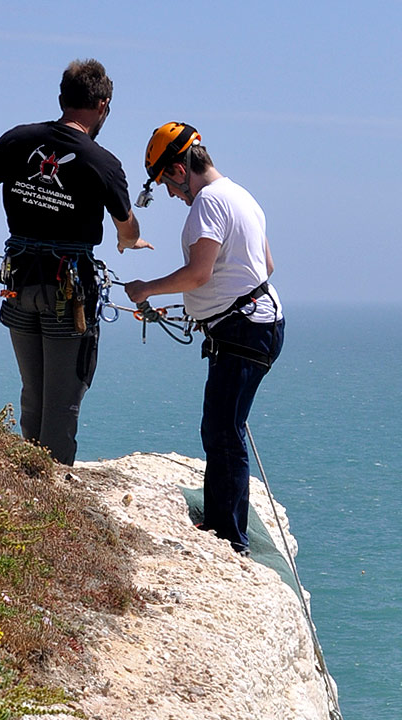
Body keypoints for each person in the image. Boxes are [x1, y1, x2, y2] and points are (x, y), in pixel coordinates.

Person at [0, 58, 148, 465]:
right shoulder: (103, 163)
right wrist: (131, 242)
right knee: (62, 403)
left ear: (62, 99)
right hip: (69, 291)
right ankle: (53, 499)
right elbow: (125, 228)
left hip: (19, 283)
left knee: (33, 394)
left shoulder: (18, 141)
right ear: (103, 105)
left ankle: (31, 485)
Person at [124, 122, 282, 556]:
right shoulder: (240, 195)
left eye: (168, 184)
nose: (173, 195)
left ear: (179, 169)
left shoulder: (207, 204)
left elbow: (198, 273)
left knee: (222, 430)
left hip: (241, 329)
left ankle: (229, 536)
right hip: (255, 322)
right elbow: (266, 263)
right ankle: (224, 523)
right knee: (225, 426)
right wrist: (210, 304)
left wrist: (146, 289)